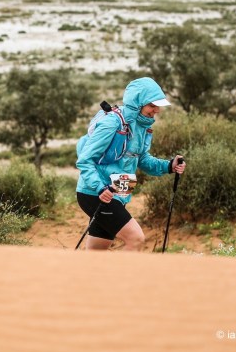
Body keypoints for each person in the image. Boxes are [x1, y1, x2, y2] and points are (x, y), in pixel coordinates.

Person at [75, 77, 186, 251]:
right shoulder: (112, 123)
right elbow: (85, 159)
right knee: (136, 238)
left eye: (158, 105)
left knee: (96, 252)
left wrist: (168, 166)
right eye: (152, 105)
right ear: (137, 103)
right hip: (97, 193)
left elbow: (142, 158)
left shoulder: (143, 126)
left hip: (120, 191)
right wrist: (99, 188)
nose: (157, 110)